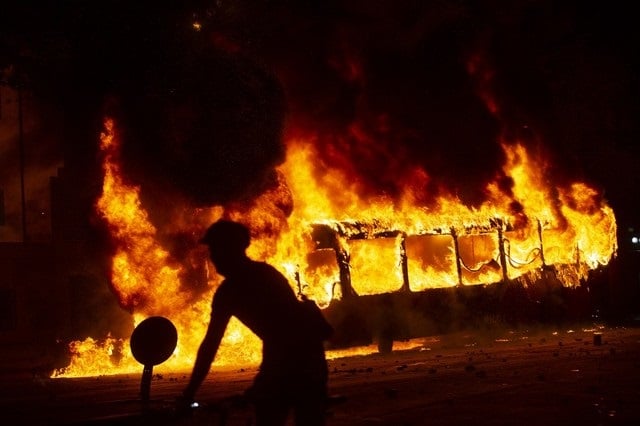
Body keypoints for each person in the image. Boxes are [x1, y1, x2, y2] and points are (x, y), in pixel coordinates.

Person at [180, 219, 332, 425]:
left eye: (215, 250)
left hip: (297, 358)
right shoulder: (265, 274)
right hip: (305, 357)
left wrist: (189, 392)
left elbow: (211, 345)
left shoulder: (231, 291)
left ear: (229, 249)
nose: (212, 258)